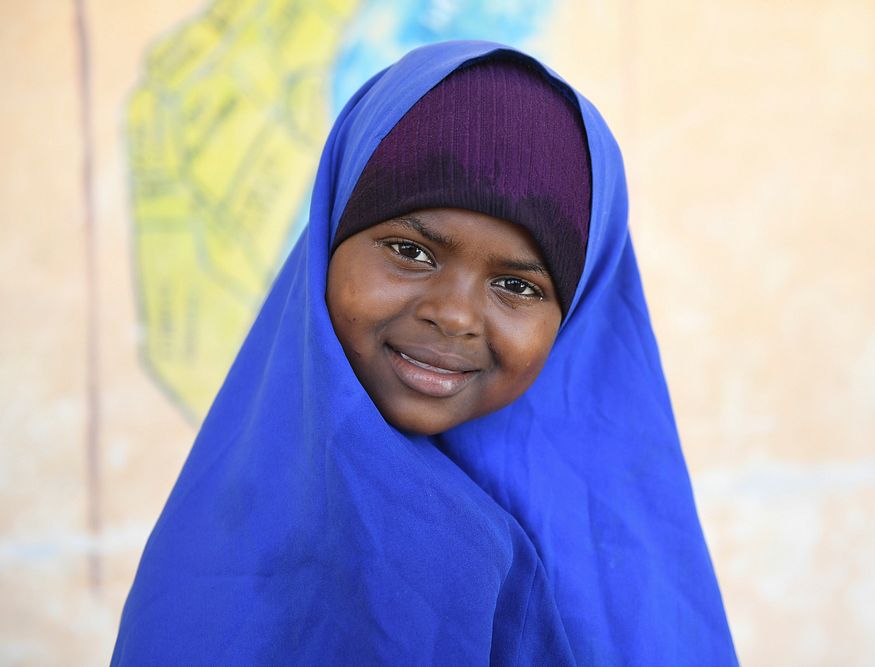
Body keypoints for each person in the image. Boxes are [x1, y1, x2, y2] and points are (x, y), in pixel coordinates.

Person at [111, 41, 738, 665]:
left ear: (572, 320)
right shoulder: (223, 532)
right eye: (411, 252)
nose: (455, 314)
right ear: (329, 239)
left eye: (517, 286)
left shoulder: (613, 563)